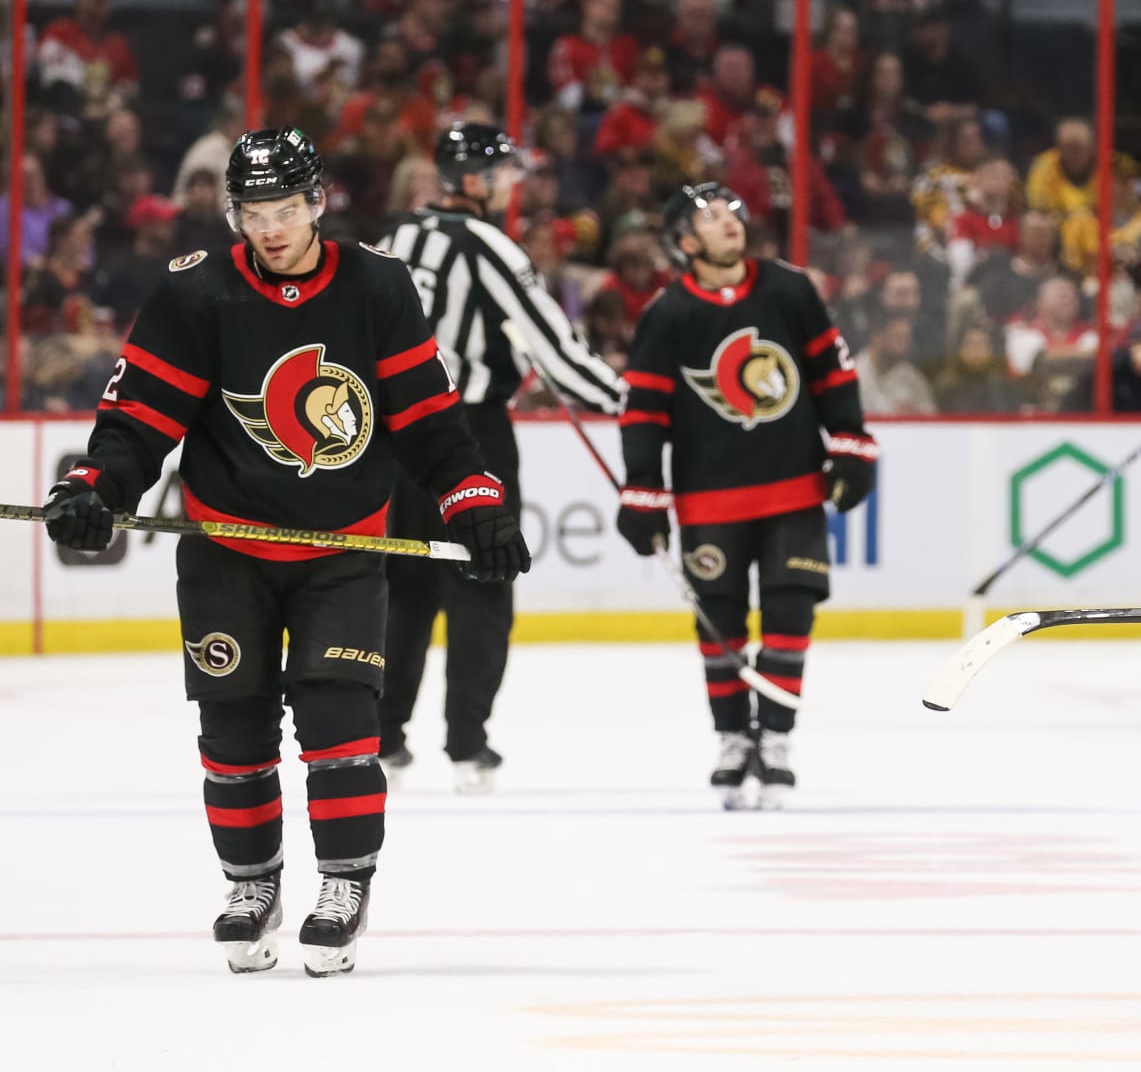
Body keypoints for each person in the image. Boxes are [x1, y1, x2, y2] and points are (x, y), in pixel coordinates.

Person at [41, 128, 530, 977]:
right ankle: (251, 884)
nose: (269, 230)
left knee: (342, 717)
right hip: (227, 547)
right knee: (233, 728)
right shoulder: (198, 294)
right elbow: (141, 416)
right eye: (252, 213)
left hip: (342, 547)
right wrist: (98, 488)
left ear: (318, 203)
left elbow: (425, 412)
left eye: (285, 210)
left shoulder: (377, 285)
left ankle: (343, 883)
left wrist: (474, 500)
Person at [377, 124, 623, 792]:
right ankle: (466, 745)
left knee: (403, 589)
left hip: (392, 440)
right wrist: (627, 399)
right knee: (482, 584)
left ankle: (384, 738)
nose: (514, 183)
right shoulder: (489, 246)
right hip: (470, 435)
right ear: (475, 181)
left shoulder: (394, 237)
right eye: (505, 173)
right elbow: (558, 350)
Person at [616, 184, 877, 809]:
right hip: (710, 501)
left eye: (732, 211)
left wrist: (850, 444)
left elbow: (833, 373)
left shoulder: (790, 288)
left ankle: (778, 739)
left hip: (793, 489)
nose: (727, 222)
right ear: (685, 242)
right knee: (721, 625)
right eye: (708, 217)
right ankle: (734, 738)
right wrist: (643, 491)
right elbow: (644, 412)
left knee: (791, 614)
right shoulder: (668, 313)